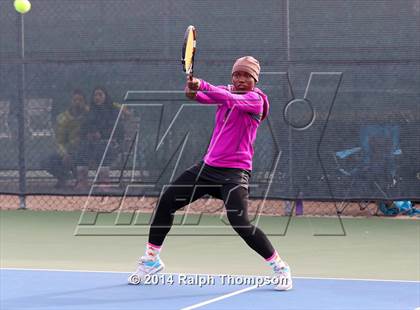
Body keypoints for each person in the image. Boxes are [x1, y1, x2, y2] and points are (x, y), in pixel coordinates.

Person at [128, 56, 292, 291]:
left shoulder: (255, 100)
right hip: (207, 168)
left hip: (235, 172)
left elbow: (224, 97)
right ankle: (152, 260)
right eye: (237, 74)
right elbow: (200, 97)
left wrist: (202, 84)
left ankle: (280, 267)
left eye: (247, 76)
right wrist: (193, 90)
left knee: (240, 222)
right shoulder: (227, 90)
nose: (241, 79)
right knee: (166, 203)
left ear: (255, 80)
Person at [76, 87, 124, 189]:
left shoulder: (113, 111)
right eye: (95, 95)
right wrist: (88, 134)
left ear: (105, 96)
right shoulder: (90, 112)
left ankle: (104, 181)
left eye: (100, 95)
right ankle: (82, 181)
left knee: (102, 147)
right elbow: (83, 129)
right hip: (90, 145)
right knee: (82, 147)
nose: (97, 97)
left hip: (110, 144)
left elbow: (118, 130)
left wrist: (102, 134)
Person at [45, 90, 89, 188]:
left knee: (81, 155)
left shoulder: (90, 114)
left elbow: (109, 104)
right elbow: (59, 141)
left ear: (85, 102)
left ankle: (80, 179)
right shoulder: (63, 118)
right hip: (68, 150)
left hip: (85, 150)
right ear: (71, 102)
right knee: (47, 161)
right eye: (75, 100)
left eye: (80, 100)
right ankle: (65, 178)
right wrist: (65, 154)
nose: (77, 102)